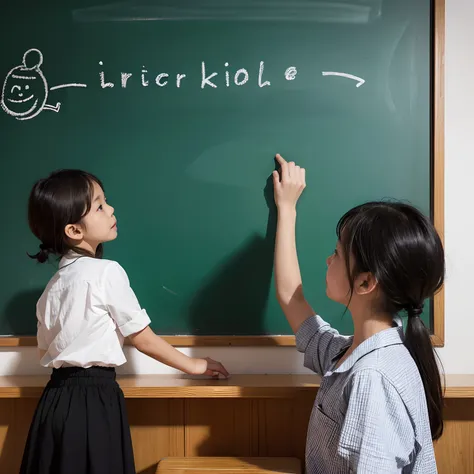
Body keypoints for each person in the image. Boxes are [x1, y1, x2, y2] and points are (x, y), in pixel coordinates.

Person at [20, 169, 229, 474]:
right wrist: (195, 365)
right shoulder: (106, 272)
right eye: (100, 206)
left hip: (53, 402)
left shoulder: (51, 289)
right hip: (93, 401)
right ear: (75, 231)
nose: (111, 209)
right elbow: (141, 337)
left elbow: (44, 352)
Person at [272, 154, 444, 473]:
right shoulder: (351, 355)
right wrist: (287, 208)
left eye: (337, 253)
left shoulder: (371, 379)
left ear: (365, 281)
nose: (328, 260)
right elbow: (291, 299)